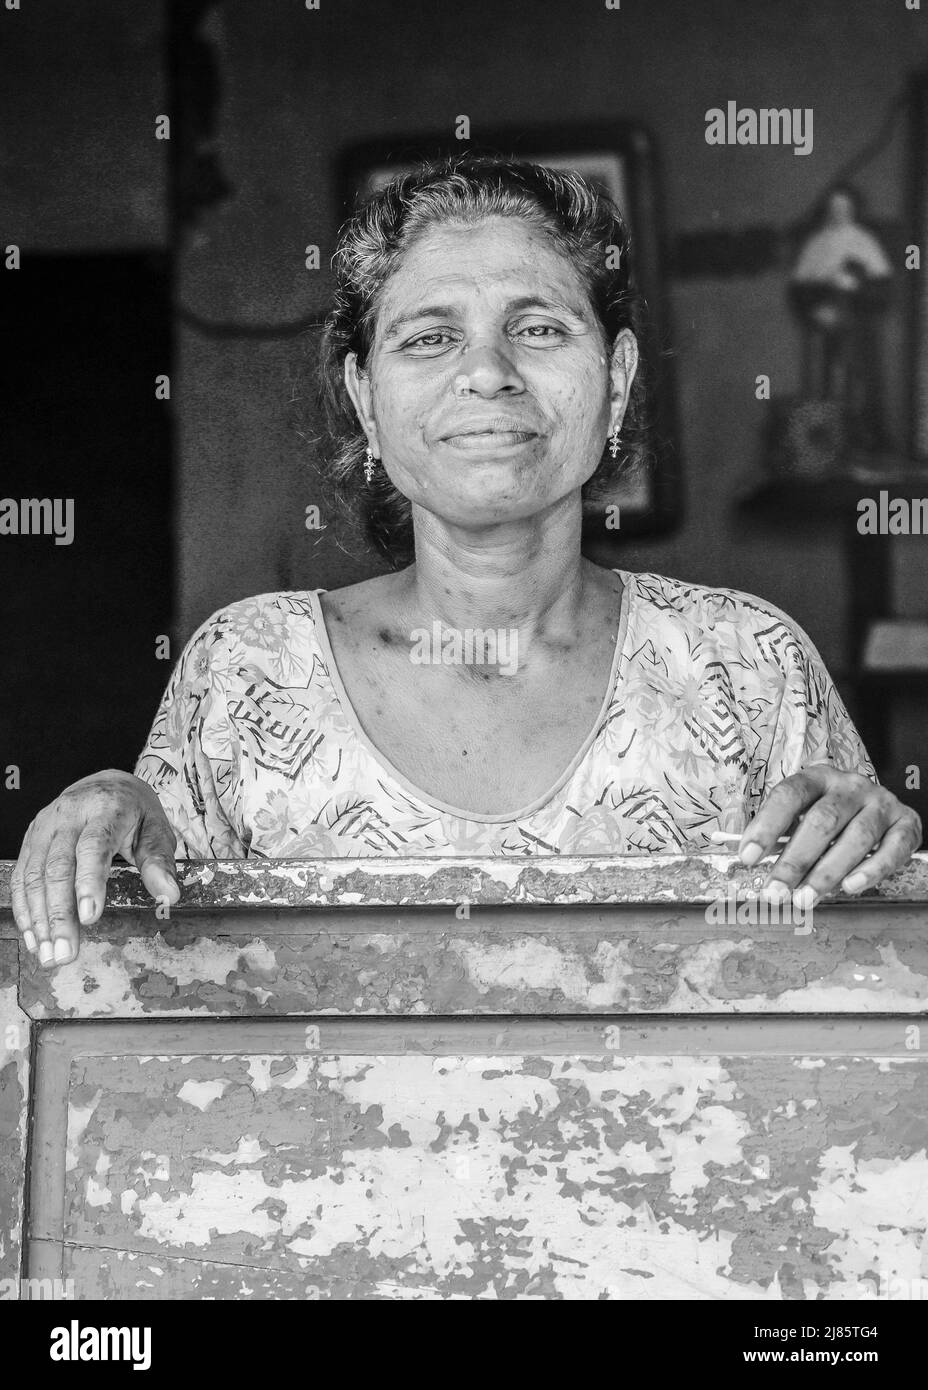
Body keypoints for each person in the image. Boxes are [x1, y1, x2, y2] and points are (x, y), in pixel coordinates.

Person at [11, 156, 921, 968]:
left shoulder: (747, 664)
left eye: (539, 329)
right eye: (430, 337)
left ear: (618, 380)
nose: (487, 372)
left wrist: (884, 865)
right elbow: (148, 1006)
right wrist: (116, 810)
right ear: (366, 398)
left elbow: (854, 999)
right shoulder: (251, 675)